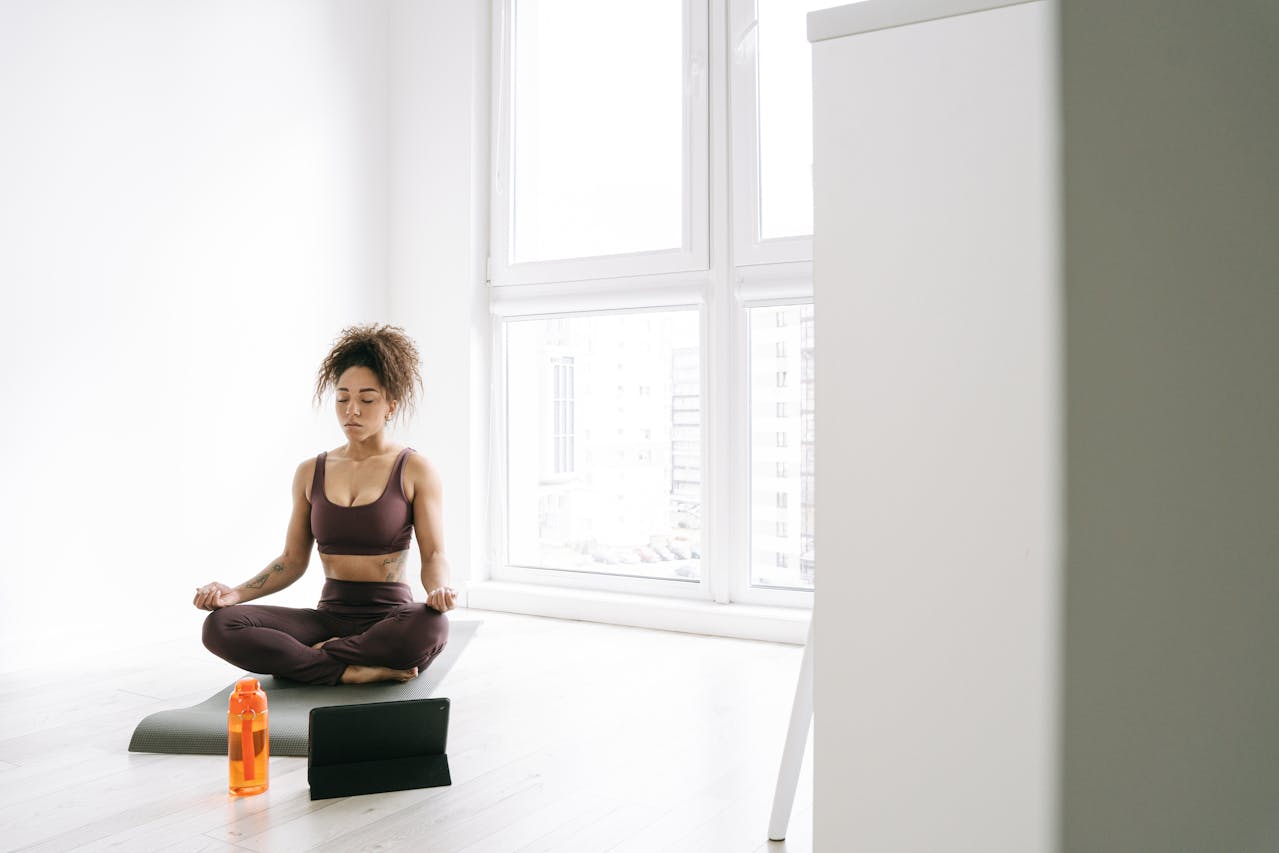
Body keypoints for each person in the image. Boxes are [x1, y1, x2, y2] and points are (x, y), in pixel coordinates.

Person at [195, 323, 458, 685]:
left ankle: (314, 660)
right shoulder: (310, 471)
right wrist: (234, 593)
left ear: (390, 406)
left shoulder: (415, 469)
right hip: (327, 615)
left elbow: (433, 555)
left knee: (430, 626)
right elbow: (291, 561)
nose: (352, 410)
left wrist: (438, 591)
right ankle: (350, 669)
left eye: (367, 400)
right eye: (342, 398)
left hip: (389, 617)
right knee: (221, 626)